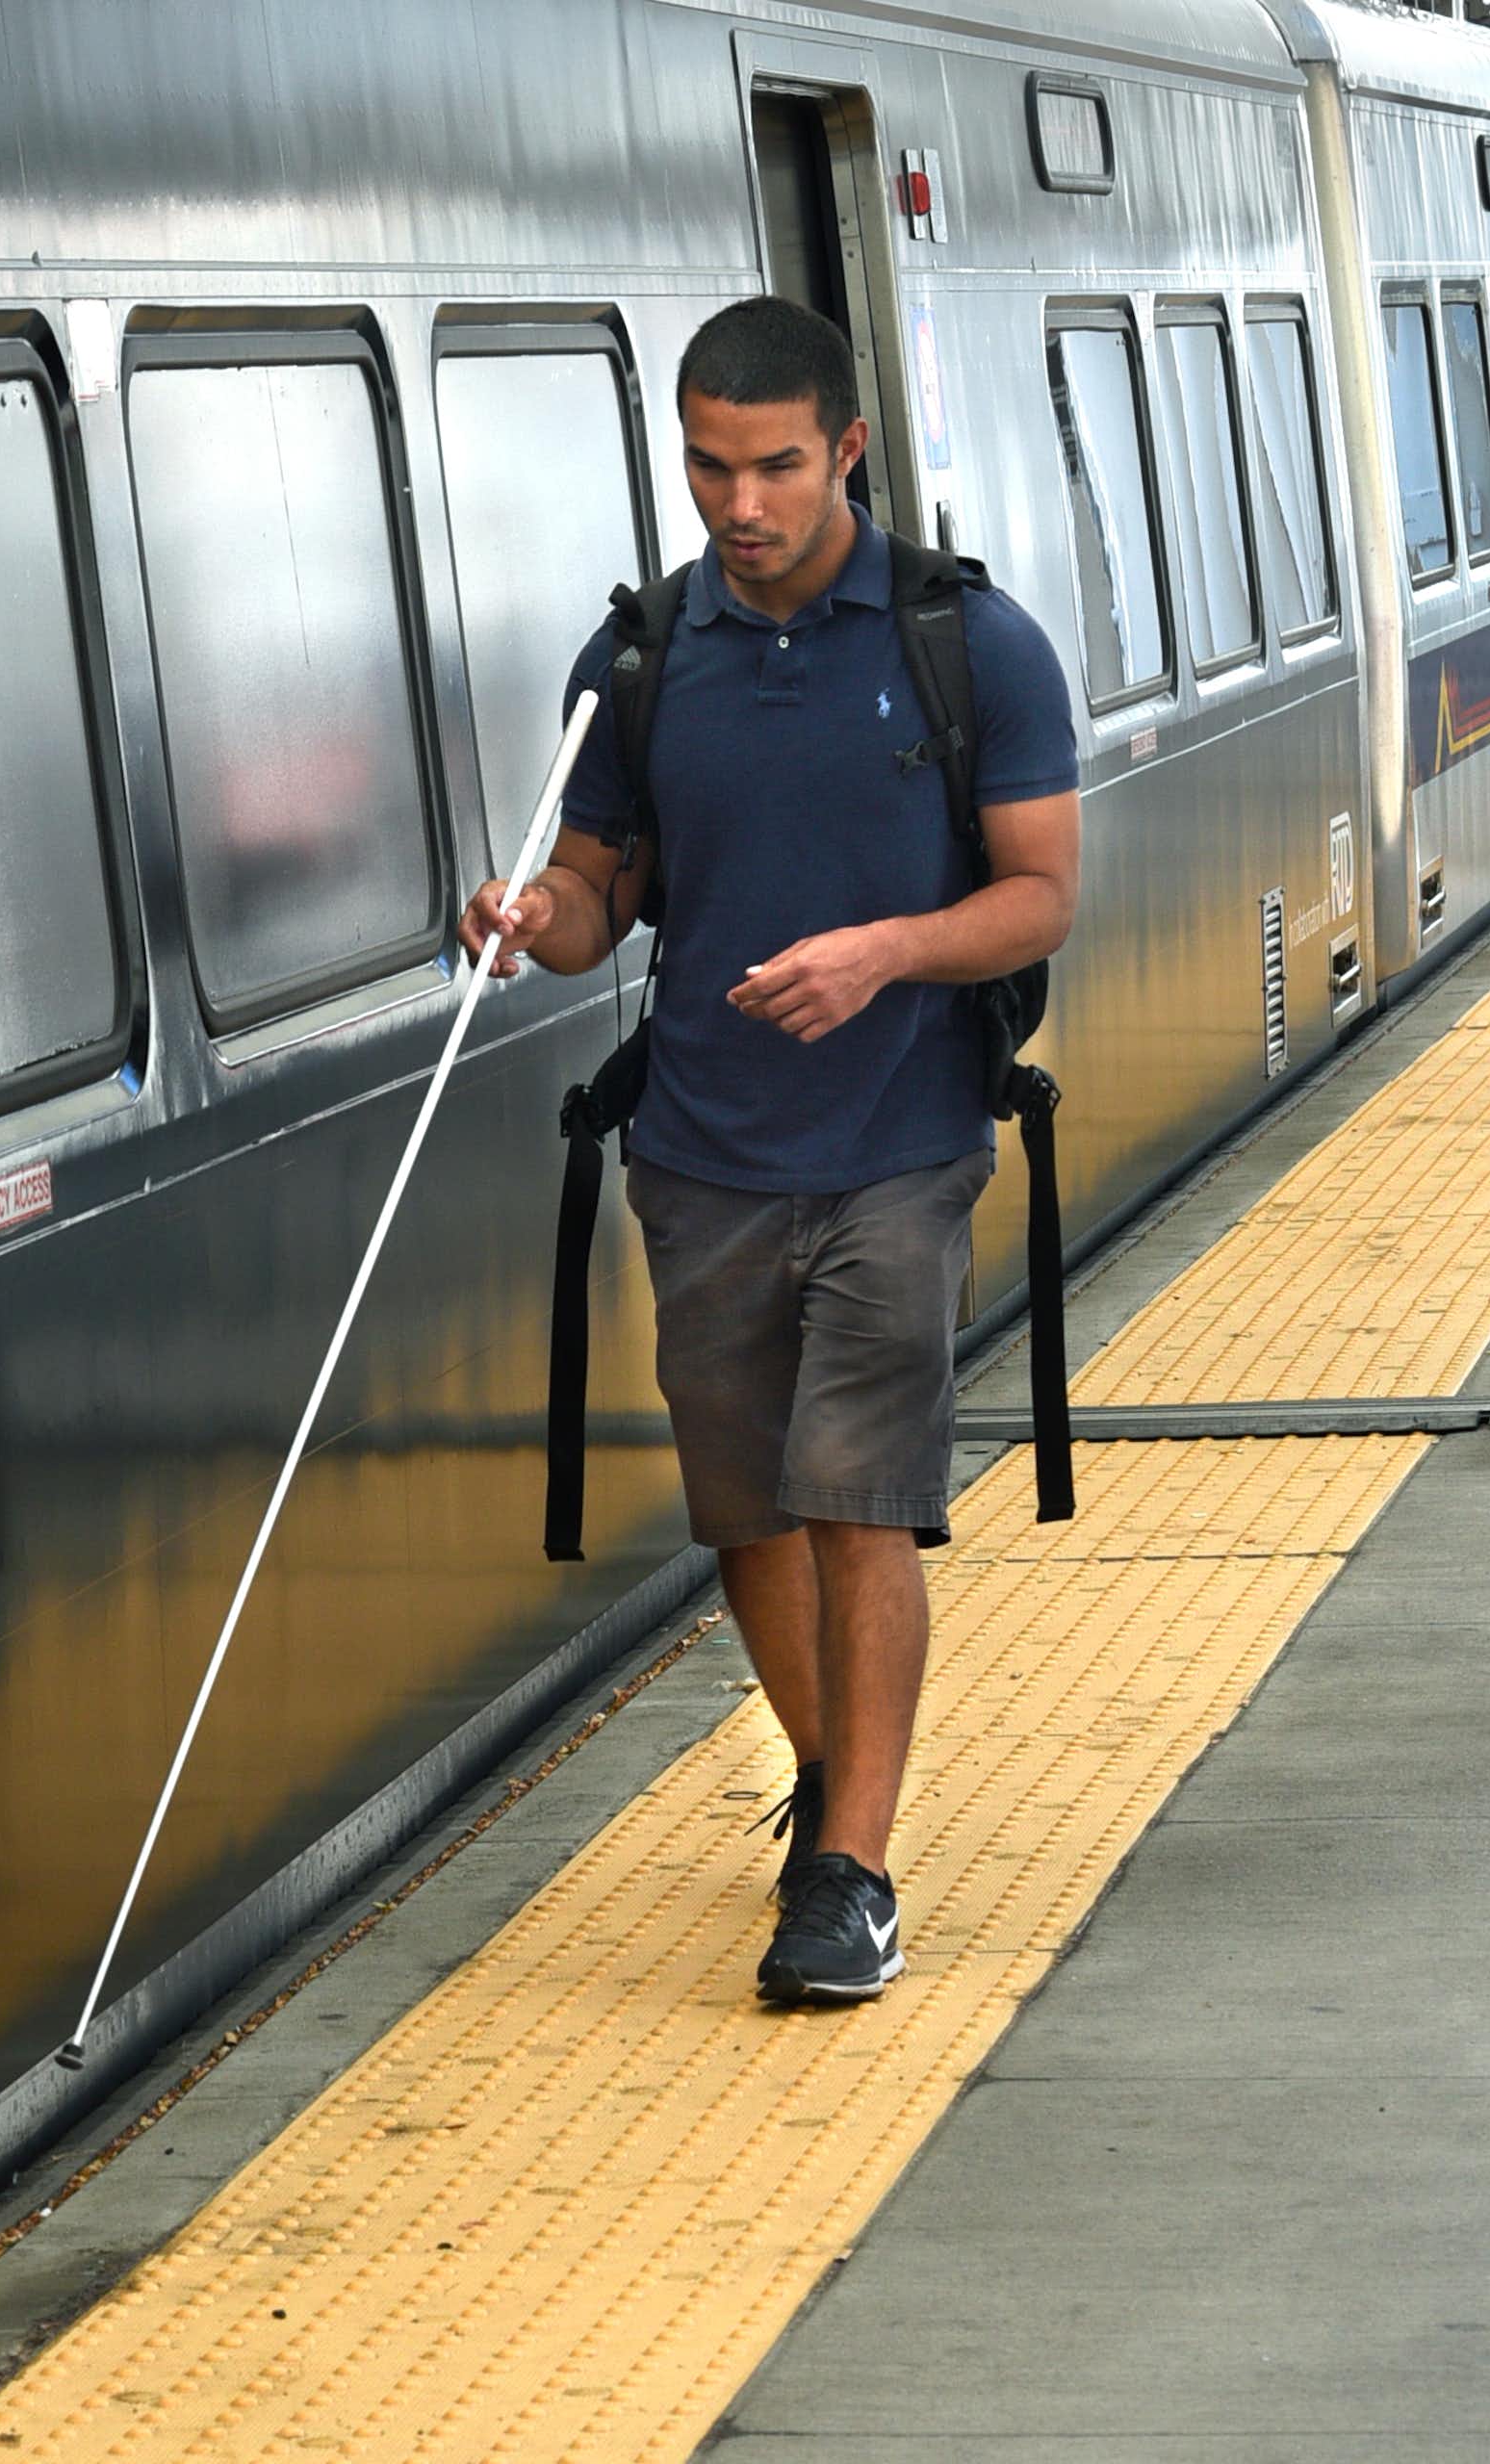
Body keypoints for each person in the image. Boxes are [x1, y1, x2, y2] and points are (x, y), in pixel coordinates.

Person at [457, 296, 1082, 1995]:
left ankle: (853, 1875)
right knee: (748, 1514)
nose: (743, 503)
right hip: (703, 1147)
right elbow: (601, 900)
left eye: (778, 467)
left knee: (858, 1500)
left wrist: (884, 949)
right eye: (711, 467)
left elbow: (1040, 894)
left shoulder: (975, 645)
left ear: (847, 452)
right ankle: (831, 1786)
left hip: (903, 1139)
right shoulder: (646, 660)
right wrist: (534, 916)